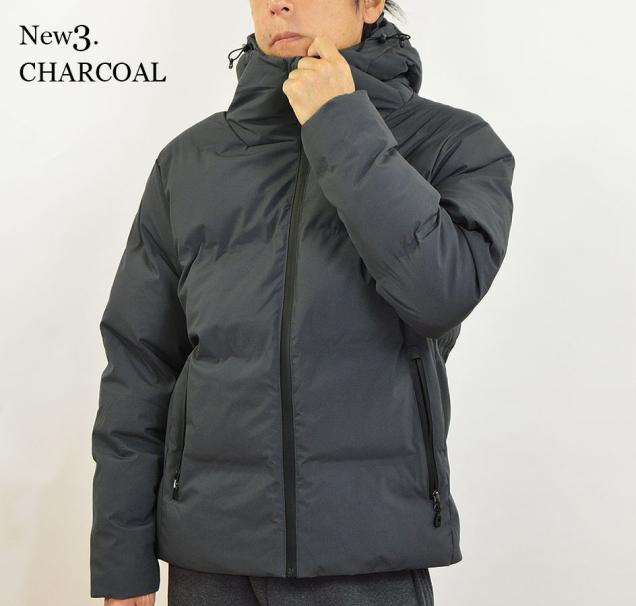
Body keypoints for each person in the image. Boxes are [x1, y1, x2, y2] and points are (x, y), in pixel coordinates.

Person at [89, 0, 515, 604]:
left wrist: (342, 123)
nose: (278, 4)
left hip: (365, 559)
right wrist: (123, 558)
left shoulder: (455, 144)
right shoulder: (188, 162)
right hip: (211, 560)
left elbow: (440, 293)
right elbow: (139, 365)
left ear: (371, 4)